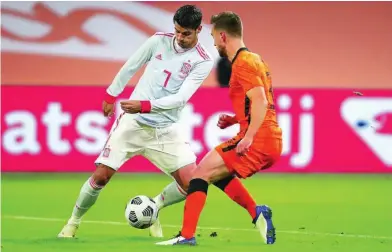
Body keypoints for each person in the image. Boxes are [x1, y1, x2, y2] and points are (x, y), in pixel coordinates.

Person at [58, 5, 261, 239]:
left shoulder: (202, 60)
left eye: (186, 33)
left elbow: (180, 99)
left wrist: (144, 104)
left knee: (191, 183)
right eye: (177, 31)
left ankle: (153, 207)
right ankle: (73, 223)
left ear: (198, 30)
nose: (180, 37)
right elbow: (131, 66)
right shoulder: (158, 41)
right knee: (101, 176)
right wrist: (111, 94)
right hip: (133, 124)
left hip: (165, 129)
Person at [156, 11, 283, 246]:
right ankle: (257, 212)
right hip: (269, 138)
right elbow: (260, 102)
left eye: (214, 37)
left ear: (223, 36)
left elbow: (261, 102)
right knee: (214, 174)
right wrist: (236, 120)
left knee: (199, 174)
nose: (213, 43)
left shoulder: (243, 63)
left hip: (258, 138)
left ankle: (187, 235)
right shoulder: (255, 59)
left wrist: (249, 136)